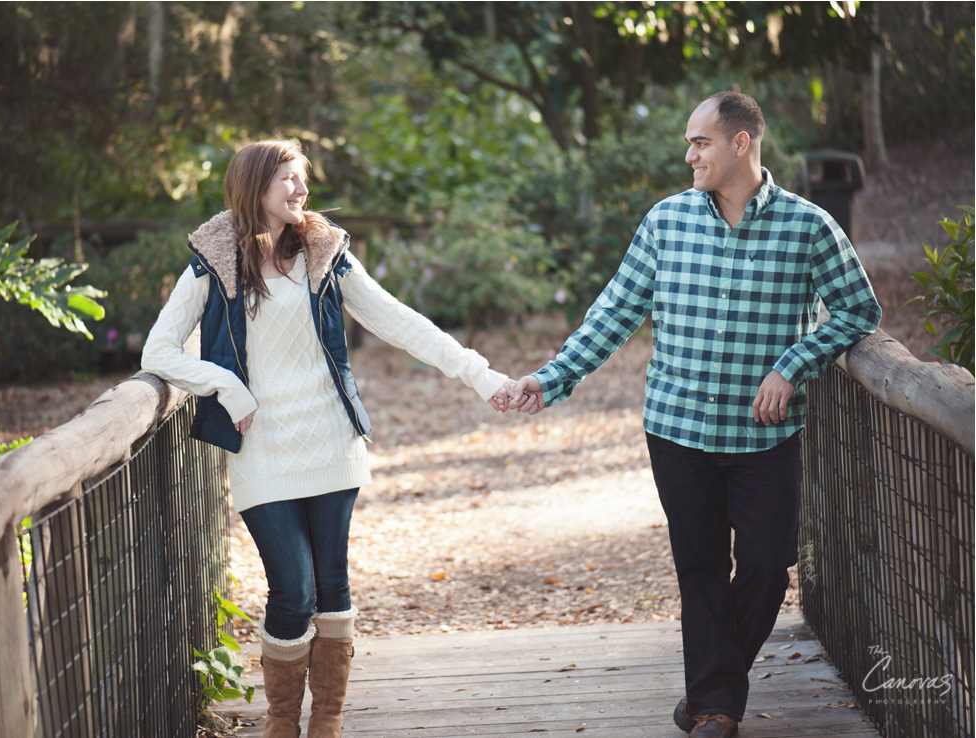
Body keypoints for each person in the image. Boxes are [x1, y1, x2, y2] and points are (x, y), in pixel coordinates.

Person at [507, 92, 881, 738]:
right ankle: (714, 711)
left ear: (740, 144)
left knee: (767, 563)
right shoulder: (665, 223)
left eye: (700, 142)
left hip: (765, 434)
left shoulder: (809, 226)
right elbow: (614, 312)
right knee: (700, 568)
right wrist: (552, 378)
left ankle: (712, 686)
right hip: (676, 430)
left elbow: (858, 311)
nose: (688, 155)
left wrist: (794, 364)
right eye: (688, 142)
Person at [141, 139, 516, 738]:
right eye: (289, 179)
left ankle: (329, 722)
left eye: (303, 178)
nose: (301, 190)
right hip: (262, 450)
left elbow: (399, 320)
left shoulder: (324, 253)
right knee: (293, 590)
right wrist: (229, 389)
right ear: (255, 186)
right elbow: (157, 352)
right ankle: (283, 722)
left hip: (330, 443)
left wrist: (481, 374)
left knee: (332, 586)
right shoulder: (211, 262)